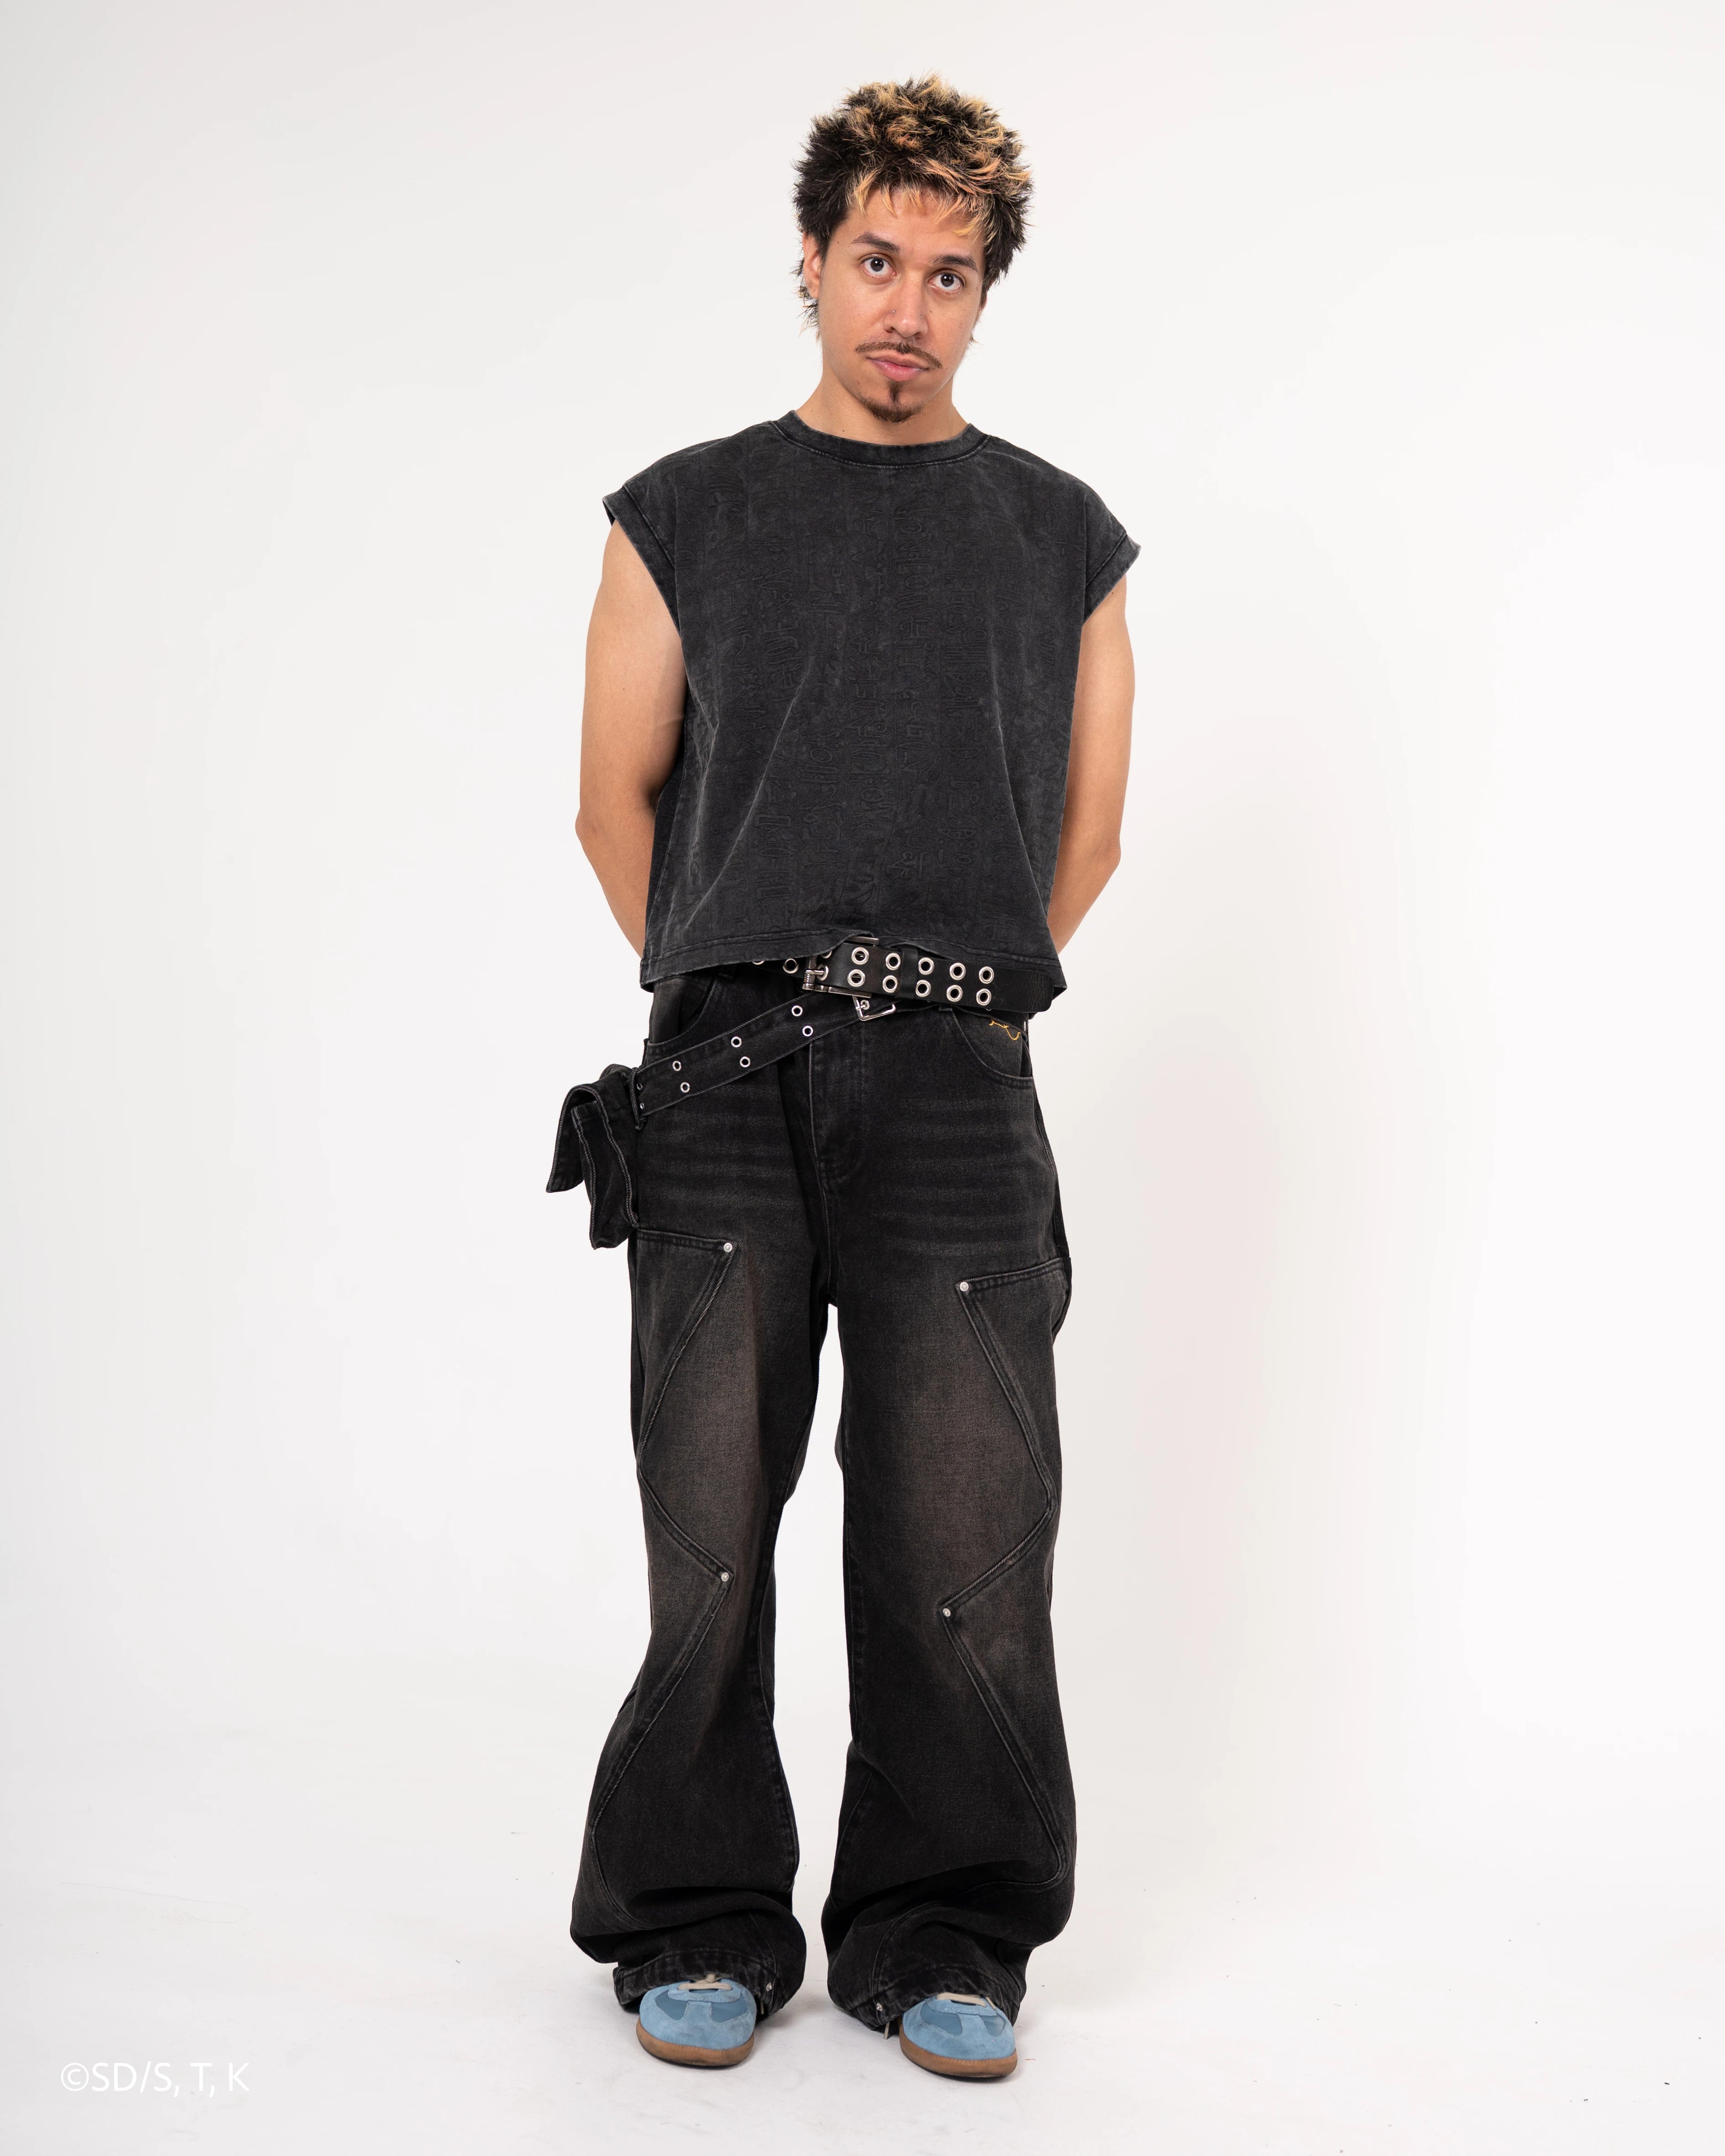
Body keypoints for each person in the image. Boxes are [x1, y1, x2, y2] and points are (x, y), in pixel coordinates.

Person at [550, 74, 1137, 2081]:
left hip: (960, 1081)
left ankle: (942, 1925)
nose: (907, 306)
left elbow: (1089, 838)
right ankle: (694, 1916)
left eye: (948, 274)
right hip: (727, 1068)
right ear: (810, 262)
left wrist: (949, 999)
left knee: (966, 1534)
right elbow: (613, 803)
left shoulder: (1064, 539)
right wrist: (729, 982)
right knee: (710, 1520)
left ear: (986, 294)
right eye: (876, 261)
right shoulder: (683, 512)